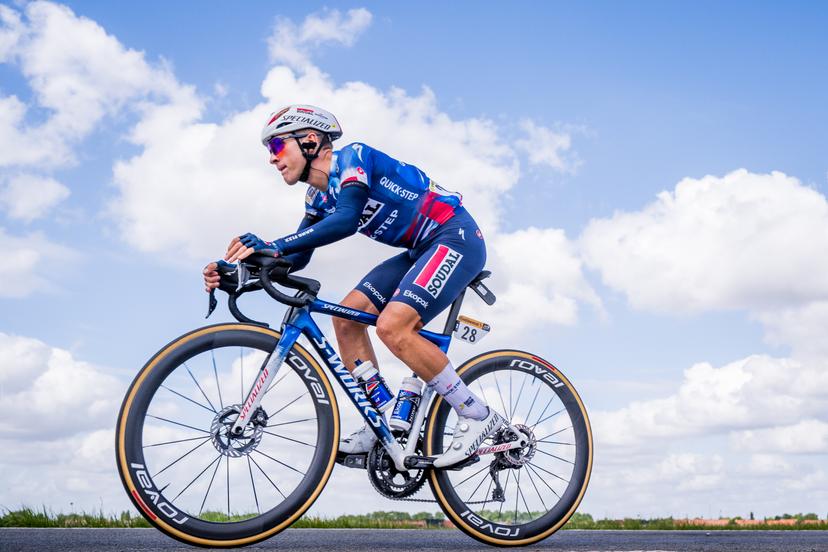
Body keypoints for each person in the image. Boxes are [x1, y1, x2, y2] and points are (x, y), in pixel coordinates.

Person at [203, 105, 504, 467]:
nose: (272, 159)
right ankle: (383, 418)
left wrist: (274, 245)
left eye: (278, 147)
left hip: (454, 237)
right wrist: (241, 271)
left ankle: (476, 414)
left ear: (311, 140)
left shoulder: (353, 158)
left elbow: (346, 220)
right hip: (420, 249)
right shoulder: (316, 197)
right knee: (346, 320)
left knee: (393, 326)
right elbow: (297, 257)